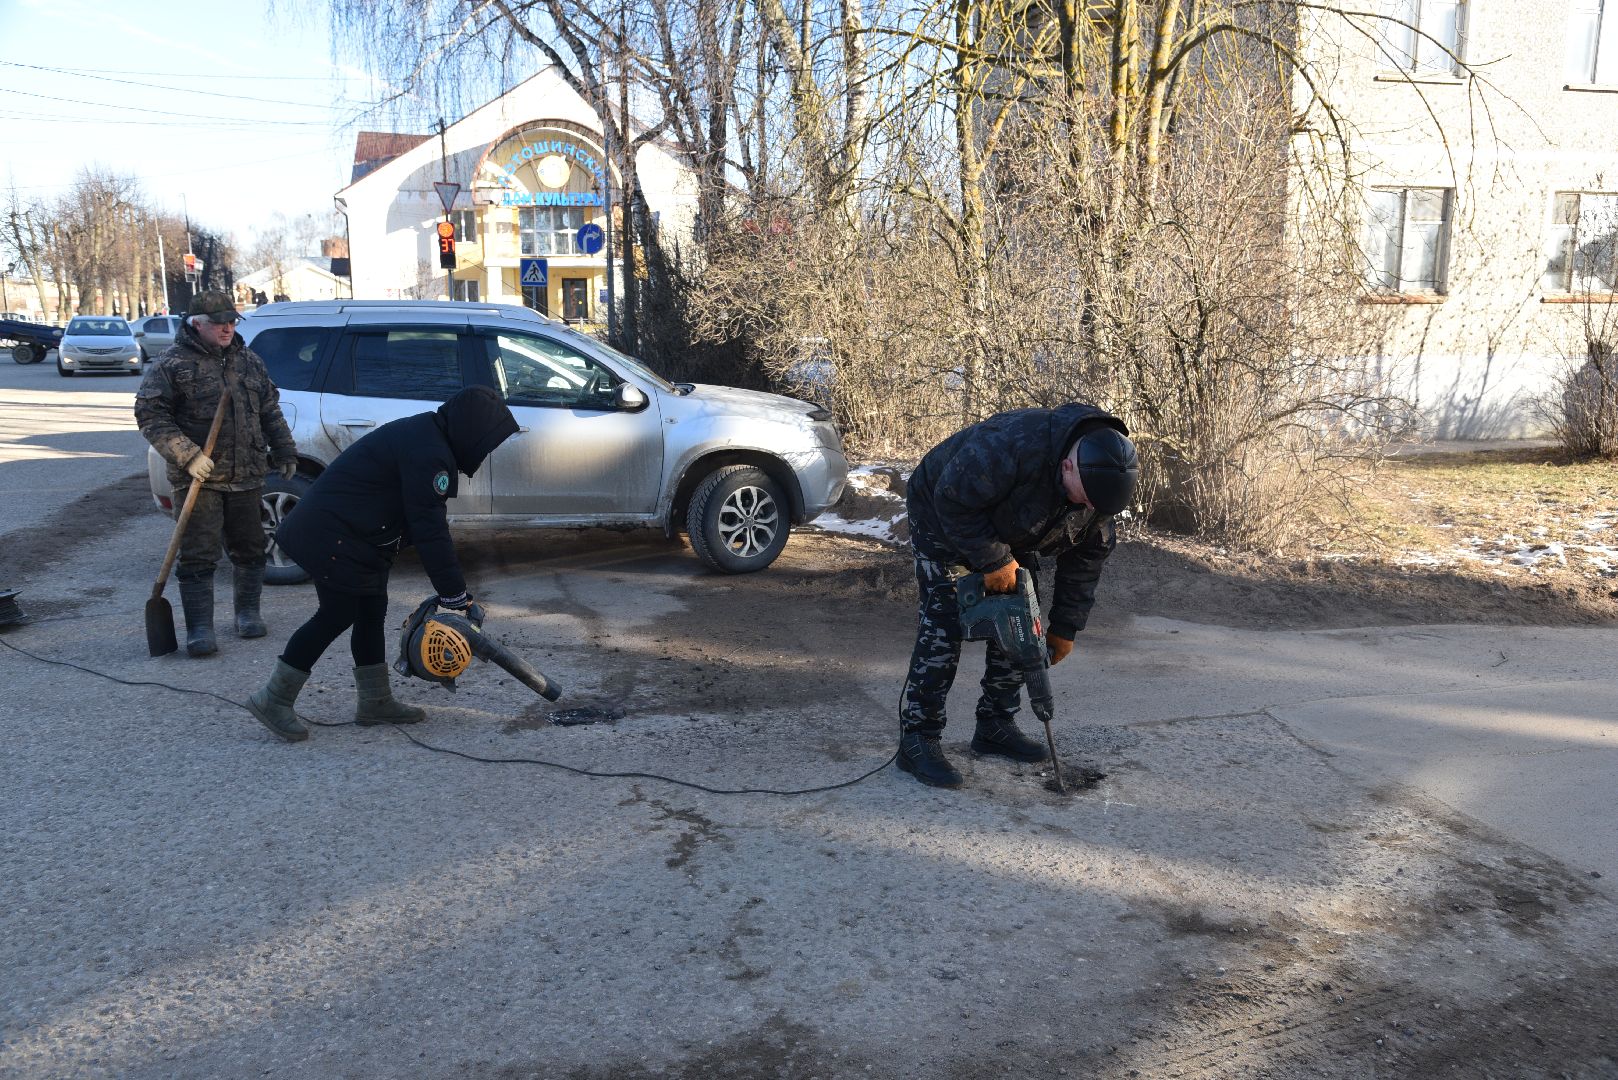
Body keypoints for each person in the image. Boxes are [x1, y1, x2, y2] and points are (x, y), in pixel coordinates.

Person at [246, 385, 519, 743]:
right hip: (332, 535)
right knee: (336, 613)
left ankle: (374, 701)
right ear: (471, 431)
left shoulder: (430, 436)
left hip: (355, 536)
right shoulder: (430, 453)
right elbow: (430, 530)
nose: (486, 450)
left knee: (372, 608)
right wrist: (454, 596)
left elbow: (413, 518)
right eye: (487, 441)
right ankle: (273, 698)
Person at [897, 403, 1140, 788]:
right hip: (942, 511)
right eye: (1086, 499)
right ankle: (918, 739)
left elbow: (1085, 562)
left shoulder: (1100, 486)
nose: (1089, 509)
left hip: (1012, 522)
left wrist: (1064, 628)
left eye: (1097, 507)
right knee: (943, 624)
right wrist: (993, 561)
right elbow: (952, 500)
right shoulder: (1012, 445)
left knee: (1021, 619)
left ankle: (995, 724)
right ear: (1067, 466)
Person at [135, 290, 298, 657]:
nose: (227, 328)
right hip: (199, 479)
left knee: (251, 549)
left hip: (247, 474)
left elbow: (269, 409)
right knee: (198, 555)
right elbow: (150, 415)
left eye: (230, 322)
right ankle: (199, 630)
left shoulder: (249, 361)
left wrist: (284, 448)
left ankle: (247, 614)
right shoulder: (171, 364)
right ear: (197, 324)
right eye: (218, 323)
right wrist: (188, 455)